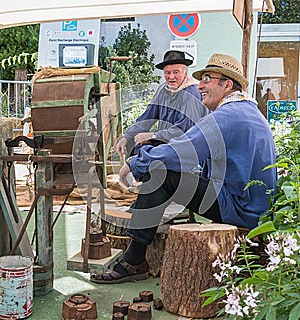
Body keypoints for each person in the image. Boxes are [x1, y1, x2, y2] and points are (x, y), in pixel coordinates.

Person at [91, 53, 277, 284]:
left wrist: (134, 163)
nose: (200, 85)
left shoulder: (227, 116)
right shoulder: (248, 112)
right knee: (168, 171)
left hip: (239, 208)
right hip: (251, 205)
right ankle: (138, 242)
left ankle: (134, 259)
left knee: (162, 174)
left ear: (227, 84)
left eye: (207, 79)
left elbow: (182, 150)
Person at [115, 50, 209, 156]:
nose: (171, 77)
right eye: (167, 73)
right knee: (134, 147)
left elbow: (184, 131)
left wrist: (153, 135)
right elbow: (147, 118)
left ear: (185, 73)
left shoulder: (192, 93)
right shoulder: (163, 90)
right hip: (166, 147)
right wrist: (126, 137)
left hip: (187, 152)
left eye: (176, 72)